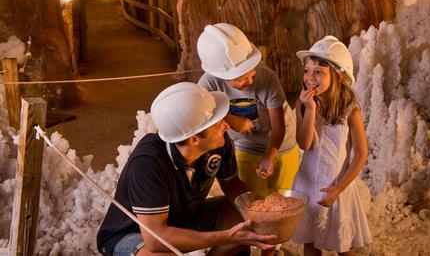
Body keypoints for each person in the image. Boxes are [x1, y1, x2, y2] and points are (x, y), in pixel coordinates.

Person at [97, 82, 276, 256]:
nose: (226, 126)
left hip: (184, 216)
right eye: (217, 124)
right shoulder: (148, 162)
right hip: (135, 233)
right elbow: (155, 239)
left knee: (246, 218)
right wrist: (225, 237)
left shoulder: (218, 143)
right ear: (194, 140)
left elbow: (233, 186)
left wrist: (264, 215)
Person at [290, 35, 371, 256]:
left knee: (343, 245)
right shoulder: (303, 105)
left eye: (319, 72)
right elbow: (305, 144)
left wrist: (338, 188)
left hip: (337, 185)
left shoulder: (350, 109)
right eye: (307, 70)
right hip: (307, 184)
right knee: (310, 241)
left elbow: (361, 155)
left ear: (338, 76)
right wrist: (311, 110)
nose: (310, 77)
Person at [197, 23, 299, 192]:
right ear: (221, 75)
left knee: (282, 198)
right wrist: (230, 119)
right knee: (249, 198)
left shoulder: (268, 79)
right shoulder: (208, 84)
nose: (250, 81)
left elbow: (279, 128)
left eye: (251, 72)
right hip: (245, 145)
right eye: (241, 78)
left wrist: (269, 157)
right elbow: (200, 114)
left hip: (281, 144)